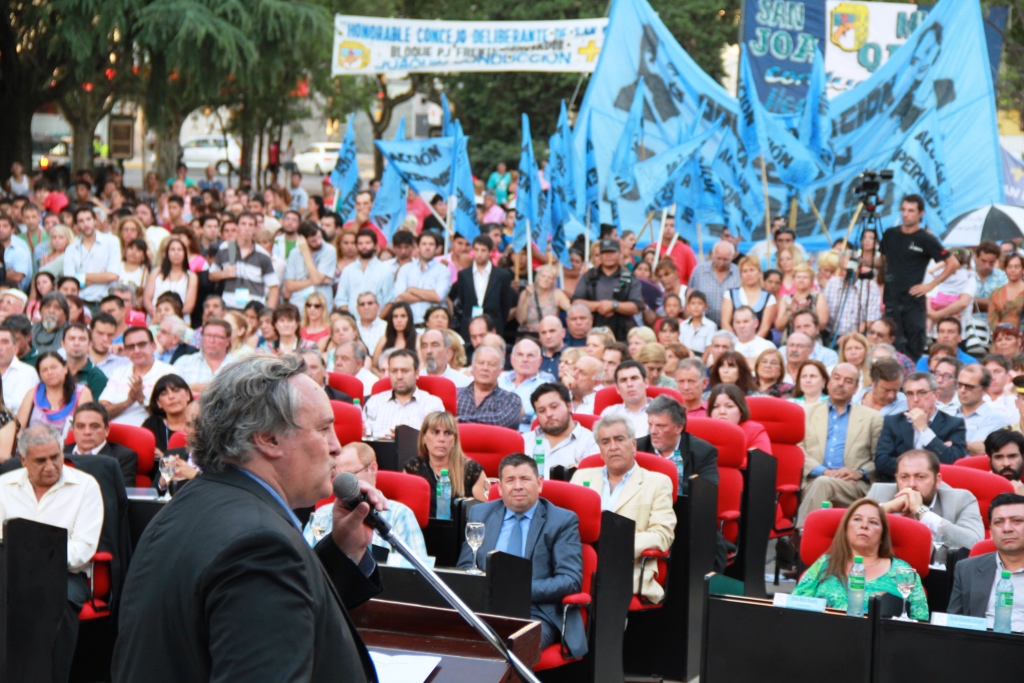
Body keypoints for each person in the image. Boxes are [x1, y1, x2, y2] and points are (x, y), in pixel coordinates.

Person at [112, 355, 387, 682]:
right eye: (324, 428)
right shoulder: (260, 546)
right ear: (268, 438)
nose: (336, 447)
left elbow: (279, 613)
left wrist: (342, 549)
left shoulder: (191, 504)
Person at [0, 424, 103, 683]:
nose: (51, 466)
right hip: (13, 572)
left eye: (55, 457)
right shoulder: (4, 485)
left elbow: (84, 547)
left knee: (55, 603)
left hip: (66, 575)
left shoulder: (85, 486)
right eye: (40, 460)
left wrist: (40, 562)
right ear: (23, 460)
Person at [457, 453, 587, 655]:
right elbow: (465, 568)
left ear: (539, 484)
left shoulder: (562, 521)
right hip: (484, 609)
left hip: (536, 612)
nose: (518, 486)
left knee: (506, 649)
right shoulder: (480, 514)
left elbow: (570, 580)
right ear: (499, 488)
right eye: (510, 480)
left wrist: (517, 590)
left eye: (525, 479)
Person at [570, 414, 677, 604]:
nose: (613, 447)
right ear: (600, 449)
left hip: (629, 566)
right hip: (582, 564)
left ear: (633, 445)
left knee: (603, 591)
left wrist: (616, 545)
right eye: (605, 442)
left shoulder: (657, 482)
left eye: (619, 439)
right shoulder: (581, 477)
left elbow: (662, 534)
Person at [793, 498, 929, 619]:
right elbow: (793, 607)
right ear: (845, 529)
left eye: (873, 522)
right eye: (857, 519)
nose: (864, 525)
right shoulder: (825, 563)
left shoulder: (902, 570)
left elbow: (921, 621)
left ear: (883, 536)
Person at [305, 442, 428, 569]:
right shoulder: (323, 513)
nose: (344, 486)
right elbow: (305, 564)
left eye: (349, 476)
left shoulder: (399, 514)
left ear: (372, 469)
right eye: (338, 478)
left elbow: (416, 572)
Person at [797, 363, 884, 525]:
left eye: (848, 381)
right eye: (836, 378)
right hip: (813, 481)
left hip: (852, 485)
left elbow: (878, 458)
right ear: (828, 382)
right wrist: (824, 471)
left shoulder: (872, 418)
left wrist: (859, 472)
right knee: (822, 484)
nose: (840, 383)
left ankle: (800, 535)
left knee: (823, 484)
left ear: (856, 388)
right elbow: (798, 450)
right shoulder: (806, 413)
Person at [879, 194, 959, 359]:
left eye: (911, 211)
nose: (906, 214)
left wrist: (930, 286)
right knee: (889, 347)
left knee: (913, 347)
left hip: (913, 302)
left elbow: (953, 263)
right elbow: (883, 262)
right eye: (903, 210)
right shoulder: (890, 234)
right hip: (891, 300)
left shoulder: (925, 238)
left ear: (921, 213)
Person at [868, 449, 984, 551]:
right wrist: (885, 509)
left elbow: (974, 544)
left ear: (937, 480)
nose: (911, 484)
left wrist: (921, 512)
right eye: (904, 477)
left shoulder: (960, 500)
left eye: (921, 477)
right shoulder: (879, 492)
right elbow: (852, 528)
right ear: (896, 478)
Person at [948, 492, 1024, 630]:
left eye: (1017, 521)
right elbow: (953, 622)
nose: (1007, 528)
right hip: (981, 644)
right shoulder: (967, 569)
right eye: (998, 522)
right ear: (991, 530)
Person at [875, 372, 968, 482]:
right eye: (910, 394)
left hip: (938, 486)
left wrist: (924, 429)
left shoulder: (954, 424)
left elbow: (952, 461)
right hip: (897, 485)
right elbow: (882, 462)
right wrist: (919, 470)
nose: (915, 399)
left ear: (936, 395)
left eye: (922, 393)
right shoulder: (893, 422)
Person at [404, 410, 488, 516]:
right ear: (424, 438)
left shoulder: (472, 470)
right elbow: (406, 513)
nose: (441, 439)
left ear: (454, 440)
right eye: (435, 432)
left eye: (447, 433)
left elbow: (486, 515)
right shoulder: (413, 468)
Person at [637, 395, 718, 496]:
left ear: (679, 427)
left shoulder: (702, 452)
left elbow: (706, 492)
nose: (653, 431)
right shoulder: (637, 448)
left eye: (660, 426)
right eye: (650, 424)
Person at [98, 326, 174, 427]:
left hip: (150, 436)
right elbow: (101, 412)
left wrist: (142, 400)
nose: (137, 350)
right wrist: (128, 401)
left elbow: (172, 415)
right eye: (130, 346)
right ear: (125, 350)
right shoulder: (119, 372)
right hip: (114, 435)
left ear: (153, 346)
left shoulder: (169, 373)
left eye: (142, 344)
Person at [363, 349, 444, 439]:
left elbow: (438, 439)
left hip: (416, 452)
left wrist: (407, 439)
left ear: (416, 373)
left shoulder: (432, 403)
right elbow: (365, 437)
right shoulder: (374, 402)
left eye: (405, 371)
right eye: (394, 371)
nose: (399, 376)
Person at [572, 238, 642, 340]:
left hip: (622, 332)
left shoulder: (629, 277)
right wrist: (599, 305)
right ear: (600, 255)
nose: (608, 256)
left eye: (612, 252)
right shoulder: (589, 276)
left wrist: (613, 305)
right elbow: (576, 303)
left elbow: (636, 306)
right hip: (593, 332)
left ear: (619, 253)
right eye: (605, 252)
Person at [208, 211, 279, 310]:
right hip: (229, 307)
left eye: (250, 225)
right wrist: (224, 274)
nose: (247, 228)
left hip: (253, 310)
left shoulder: (263, 255)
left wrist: (269, 312)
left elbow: (274, 287)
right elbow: (211, 275)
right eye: (243, 224)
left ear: (255, 229)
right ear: (237, 227)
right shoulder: (226, 248)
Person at [18, 350, 93, 438]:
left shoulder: (82, 392)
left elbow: (86, 427)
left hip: (68, 448)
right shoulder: (32, 393)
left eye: (53, 368)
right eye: (44, 370)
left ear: (65, 369)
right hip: (34, 446)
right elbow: (19, 429)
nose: (49, 373)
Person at [525, 382, 598, 472]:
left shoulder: (591, 442)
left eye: (554, 407)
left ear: (569, 406)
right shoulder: (524, 441)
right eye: (542, 410)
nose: (549, 414)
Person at [66, 401, 139, 488]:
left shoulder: (123, 457)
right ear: (73, 430)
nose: (87, 432)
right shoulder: (60, 454)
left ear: (106, 430)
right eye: (81, 426)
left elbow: (123, 496)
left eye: (95, 426)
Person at [64, 206, 122, 309]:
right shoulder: (71, 249)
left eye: (88, 219)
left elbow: (113, 275)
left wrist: (81, 277)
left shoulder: (111, 241)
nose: (86, 224)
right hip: (79, 302)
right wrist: (102, 277)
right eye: (81, 221)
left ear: (95, 221)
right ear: (76, 225)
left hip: (105, 301)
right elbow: (70, 282)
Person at [456, 345, 523, 429]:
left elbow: (500, 421)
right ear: (472, 366)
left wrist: (459, 420)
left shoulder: (511, 399)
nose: (485, 368)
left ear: (500, 371)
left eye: (492, 364)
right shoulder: (455, 395)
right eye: (481, 363)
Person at [392, 231, 451, 325]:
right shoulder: (405, 269)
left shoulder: (443, 270)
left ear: (436, 248)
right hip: (410, 326)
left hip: (433, 326)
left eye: (431, 244)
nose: (427, 247)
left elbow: (438, 296)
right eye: (424, 244)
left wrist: (412, 289)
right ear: (418, 247)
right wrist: (429, 295)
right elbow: (398, 298)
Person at [498, 338, 556, 429]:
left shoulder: (545, 387)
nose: (525, 359)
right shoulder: (498, 380)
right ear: (512, 359)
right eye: (520, 355)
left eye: (530, 356)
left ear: (540, 361)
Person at [955, 364, 1012, 454]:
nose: (962, 390)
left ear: (986, 389)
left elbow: (981, 450)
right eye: (959, 385)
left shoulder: (995, 419)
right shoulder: (947, 413)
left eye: (969, 386)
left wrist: (948, 443)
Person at [334, 227, 391, 314]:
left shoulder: (385, 270)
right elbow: (341, 300)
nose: (364, 247)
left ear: (375, 245)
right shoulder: (348, 271)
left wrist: (377, 321)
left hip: (378, 324)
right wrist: (351, 321)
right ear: (357, 246)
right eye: (360, 243)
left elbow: (389, 302)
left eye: (368, 243)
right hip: (351, 324)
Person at [172, 318, 234, 393]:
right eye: (208, 335)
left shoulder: (236, 366)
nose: (211, 341)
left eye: (218, 337)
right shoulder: (184, 362)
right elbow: (172, 390)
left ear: (228, 341)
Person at [720, 257, 777, 339]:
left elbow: (765, 328)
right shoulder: (729, 294)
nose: (748, 274)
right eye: (745, 271)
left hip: (760, 344)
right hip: (734, 344)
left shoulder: (769, 298)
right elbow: (725, 323)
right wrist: (737, 344)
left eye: (752, 270)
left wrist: (751, 345)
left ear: (760, 273)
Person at [688, 241, 742, 326]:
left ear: (732, 257)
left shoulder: (739, 273)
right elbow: (690, 294)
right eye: (718, 258)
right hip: (704, 324)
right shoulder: (699, 271)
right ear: (712, 255)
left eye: (725, 260)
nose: (721, 263)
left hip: (731, 324)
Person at [708, 383, 773, 453]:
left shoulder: (754, 431)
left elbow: (761, 462)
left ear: (741, 410)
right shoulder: (704, 430)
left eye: (729, 406)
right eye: (716, 407)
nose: (722, 412)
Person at [141, 374, 194, 458]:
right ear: (158, 403)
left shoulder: (200, 425)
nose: (171, 396)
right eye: (164, 393)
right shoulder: (151, 425)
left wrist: (164, 457)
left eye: (176, 390)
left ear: (187, 395)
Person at [600, 360, 652, 438]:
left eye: (634, 378)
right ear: (617, 389)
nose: (629, 384)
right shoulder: (609, 414)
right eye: (623, 380)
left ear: (646, 383)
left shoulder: (662, 411)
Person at [517, 264, 571, 335]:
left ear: (554, 281)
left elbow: (571, 310)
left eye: (550, 278)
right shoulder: (525, 293)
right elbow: (521, 320)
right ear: (537, 277)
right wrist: (527, 297)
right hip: (529, 335)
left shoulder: (557, 294)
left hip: (550, 335)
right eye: (543, 276)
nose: (546, 280)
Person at [0, 324, 38, 414]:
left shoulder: (27, 372)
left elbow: (21, 407)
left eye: (4, 342)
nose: (0, 347)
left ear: (15, 347)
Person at [372, 301, 416, 370]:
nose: (399, 320)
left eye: (403, 316)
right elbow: (373, 366)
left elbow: (422, 365)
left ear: (409, 318)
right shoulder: (384, 339)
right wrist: (383, 376)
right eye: (395, 316)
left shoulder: (417, 339)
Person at [988, 252, 1024, 332]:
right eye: (1009, 267)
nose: (1013, 270)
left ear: (1022, 269)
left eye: (1016, 267)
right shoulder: (996, 294)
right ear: (1005, 269)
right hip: (1001, 338)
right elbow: (992, 319)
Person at [985, 430, 1024, 496]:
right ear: (990, 459)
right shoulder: (975, 489)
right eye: (998, 457)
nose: (1006, 464)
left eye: (1012, 456)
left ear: (1022, 457)